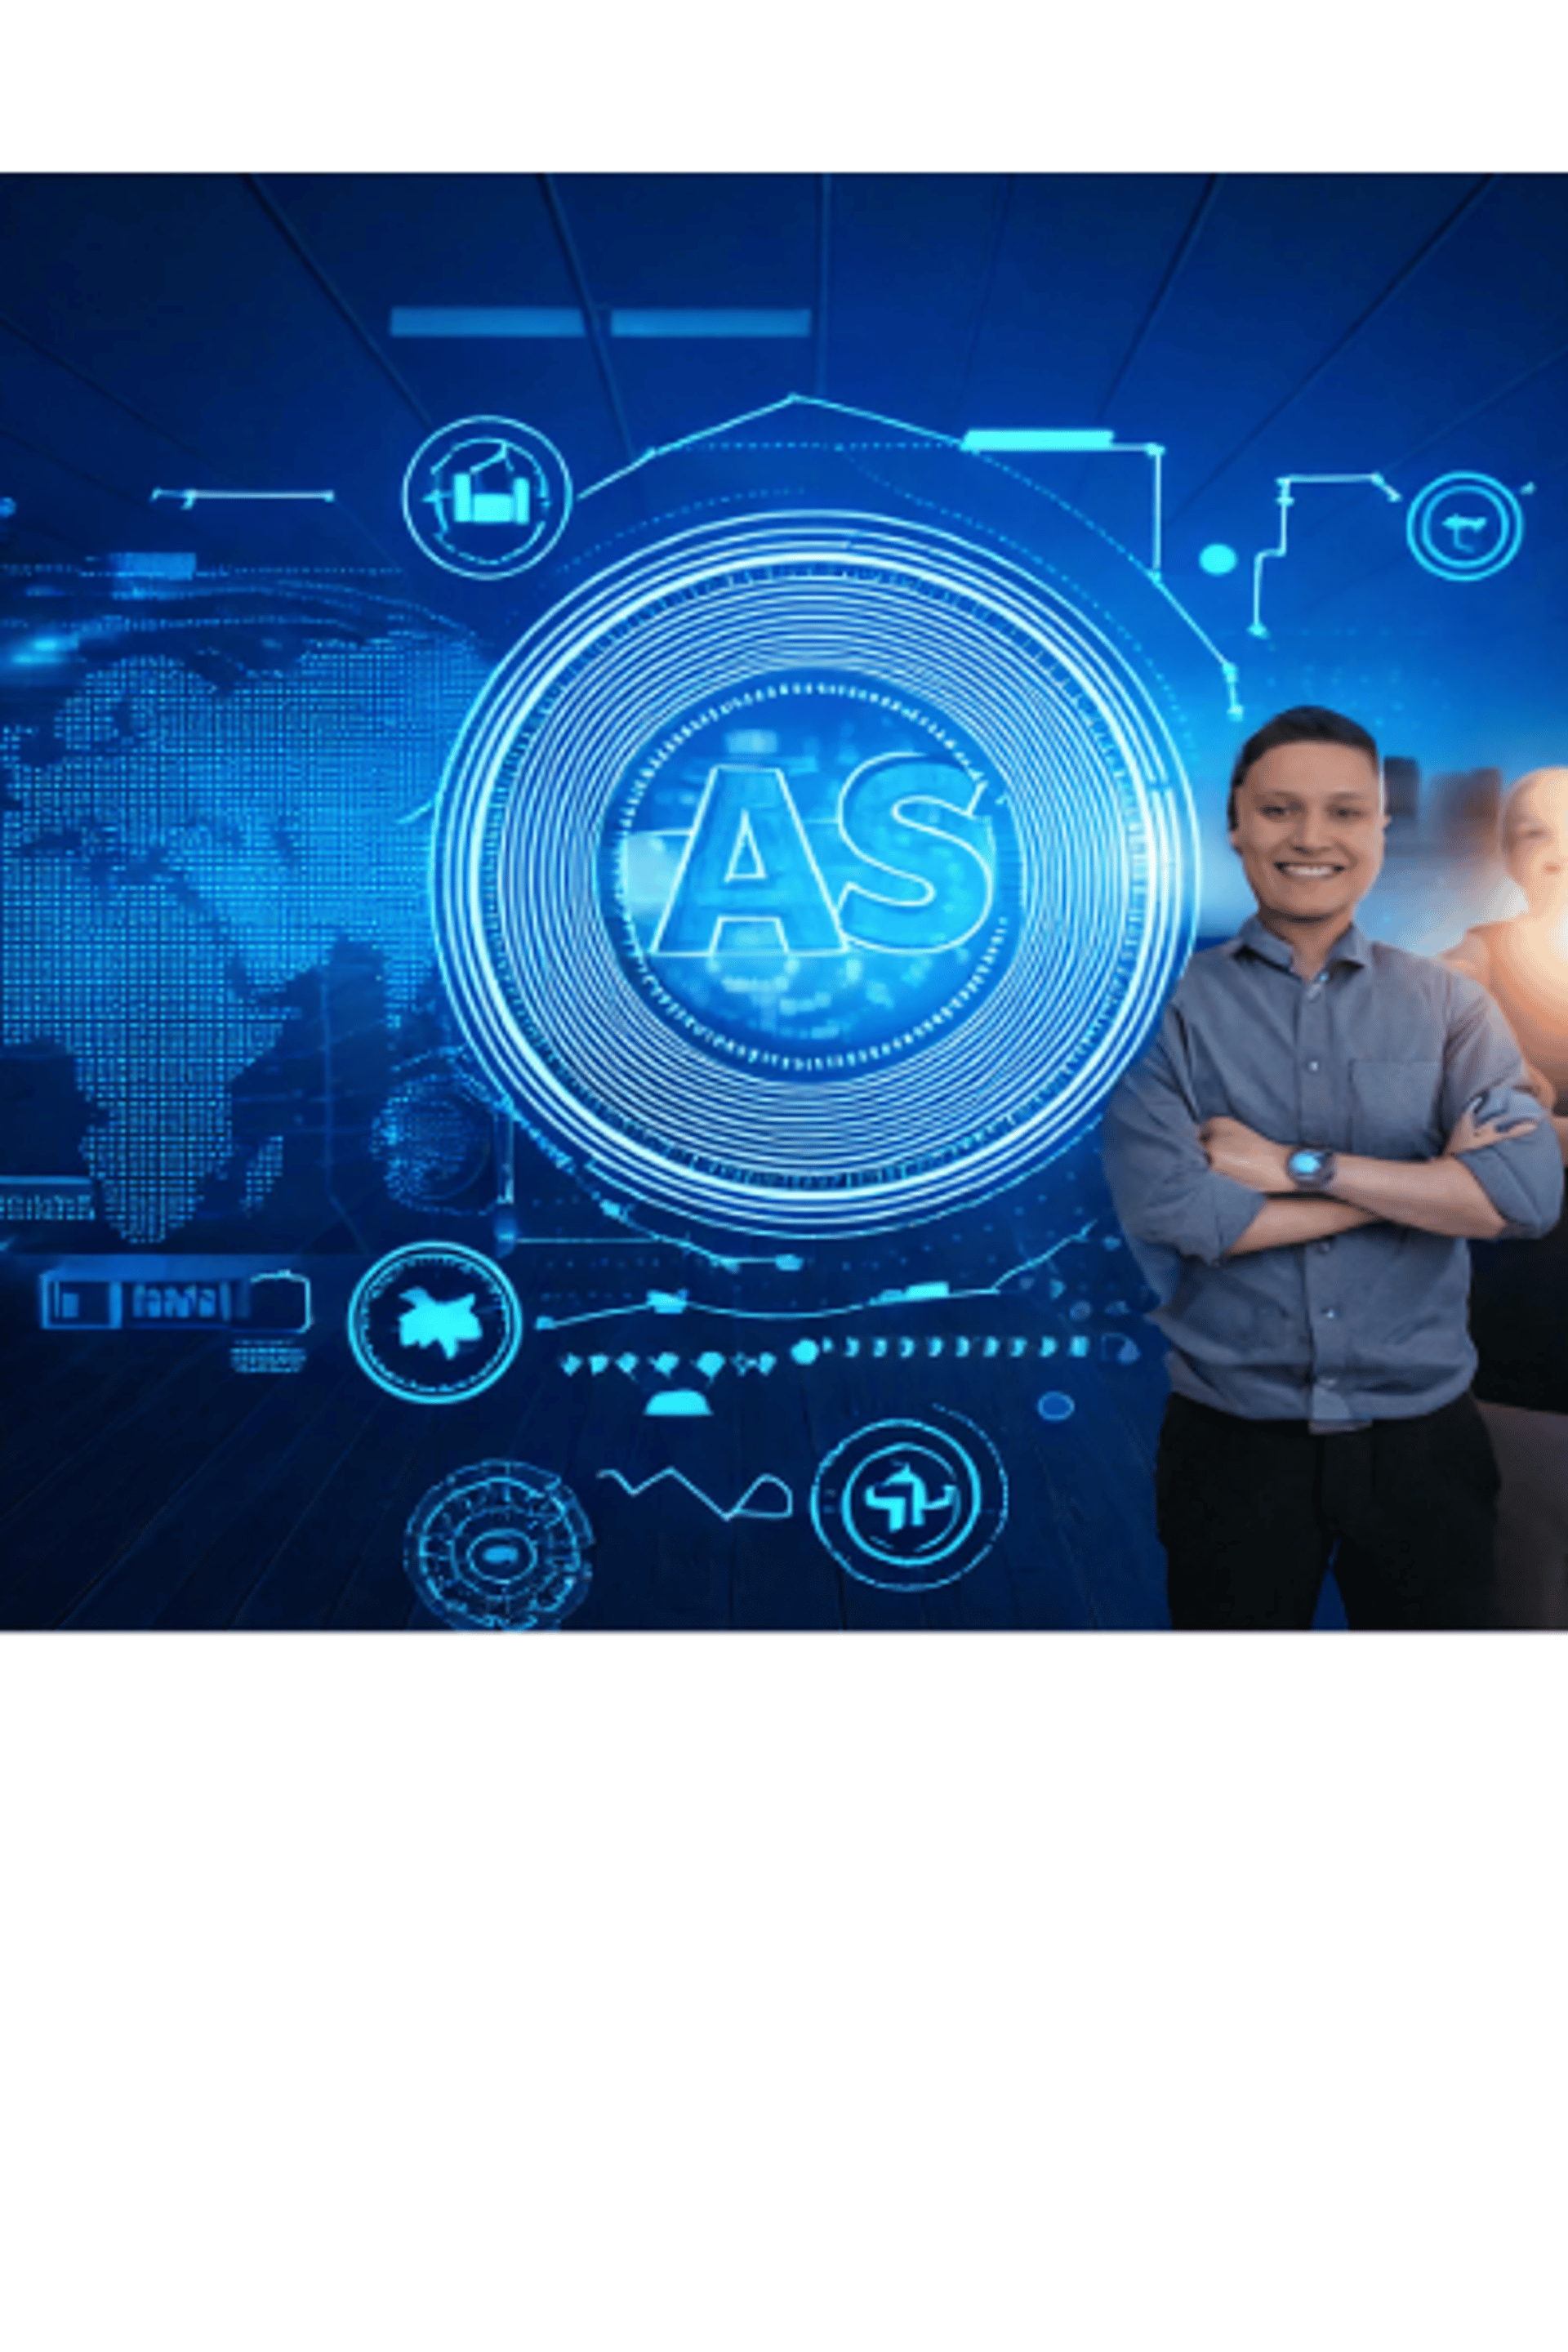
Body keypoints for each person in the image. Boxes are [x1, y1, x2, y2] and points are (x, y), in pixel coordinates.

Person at [1101, 705, 1563, 1631]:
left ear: (1380, 831)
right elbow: (1185, 1214)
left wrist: (1289, 1166)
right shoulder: (1159, 1007)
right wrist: (1426, 1184)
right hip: (1232, 1447)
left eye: (1345, 812)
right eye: (1280, 810)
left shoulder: (1445, 1006)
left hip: (1430, 1443)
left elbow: (1524, 1194)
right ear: (1235, 823)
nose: (1312, 837)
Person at [1439, 768, 1568, 1628]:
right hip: (1523, 1332)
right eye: (1534, 832)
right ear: (1507, 855)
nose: (1558, 852)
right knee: (1526, 1585)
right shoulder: (1476, 960)